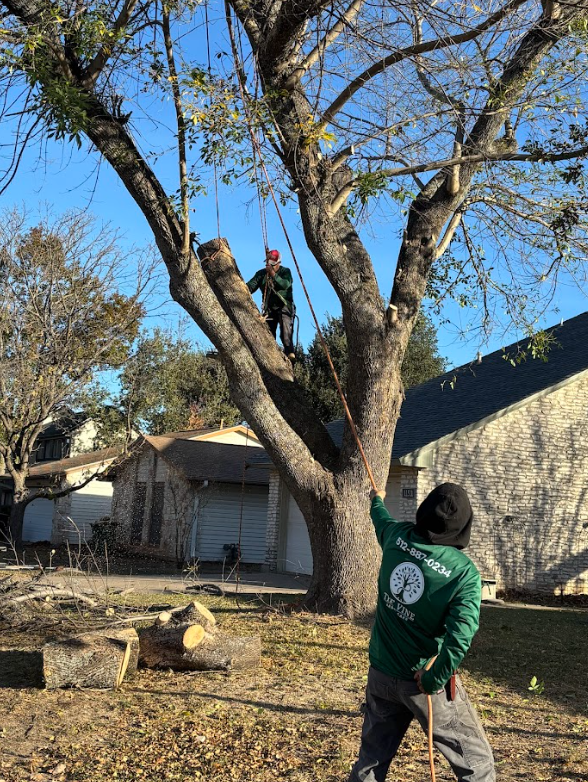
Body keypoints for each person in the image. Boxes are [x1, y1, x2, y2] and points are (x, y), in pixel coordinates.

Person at [348, 483, 495, 782]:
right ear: (463, 525)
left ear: (424, 510)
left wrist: (377, 499)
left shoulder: (396, 536)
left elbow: (380, 518)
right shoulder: (463, 573)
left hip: (381, 674)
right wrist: (435, 677)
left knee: (372, 761)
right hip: (421, 682)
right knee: (477, 765)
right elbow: (460, 637)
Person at [246, 249, 296, 361]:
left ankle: (289, 352)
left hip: (284, 306)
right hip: (269, 309)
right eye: (269, 264)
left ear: (278, 263)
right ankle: (271, 356)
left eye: (273, 264)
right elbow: (250, 286)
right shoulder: (261, 274)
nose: (271, 266)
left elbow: (285, 284)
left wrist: (273, 274)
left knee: (285, 330)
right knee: (268, 333)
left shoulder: (285, 272)